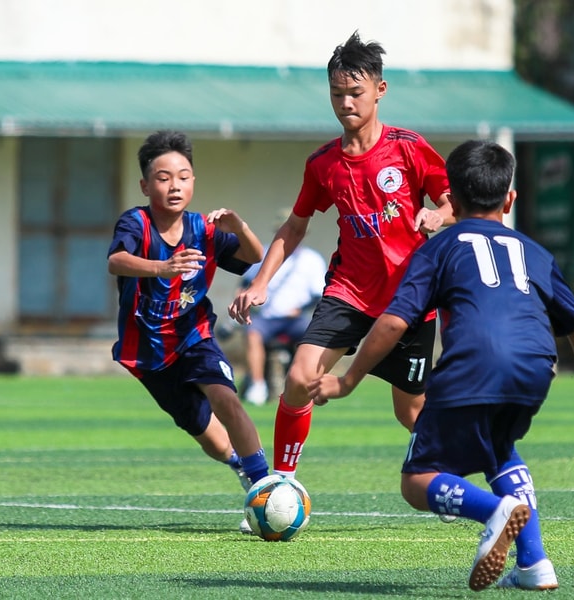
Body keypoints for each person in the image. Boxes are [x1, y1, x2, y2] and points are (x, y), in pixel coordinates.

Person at [307, 140, 574, 591]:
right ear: (510, 199)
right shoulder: (535, 252)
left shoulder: (438, 249)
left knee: (417, 481)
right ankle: (534, 563)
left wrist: (348, 380)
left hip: (473, 363)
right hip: (536, 367)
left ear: (449, 199)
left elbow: (393, 322)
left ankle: (495, 511)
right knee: (499, 449)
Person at [229, 31, 452, 478]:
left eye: (356, 92)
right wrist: (260, 283)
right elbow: (294, 227)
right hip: (348, 293)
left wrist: (437, 215)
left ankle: (450, 480)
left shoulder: (408, 148)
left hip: (409, 299)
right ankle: (282, 483)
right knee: (299, 379)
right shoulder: (323, 163)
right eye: (337, 94)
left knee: (410, 412)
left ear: (380, 90)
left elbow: (455, 203)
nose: (346, 103)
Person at [107, 129, 271, 533]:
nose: (174, 185)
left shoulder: (205, 229)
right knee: (212, 441)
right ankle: (240, 467)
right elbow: (116, 260)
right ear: (145, 185)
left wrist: (239, 227)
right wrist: (161, 267)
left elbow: (254, 255)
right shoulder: (136, 222)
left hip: (194, 335)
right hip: (148, 353)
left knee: (226, 398)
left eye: (182, 176)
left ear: (193, 181)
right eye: (163, 178)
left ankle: (265, 489)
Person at [240, 210, 327, 406]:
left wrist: (300, 309)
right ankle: (257, 385)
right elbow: (246, 283)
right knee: (252, 333)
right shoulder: (263, 254)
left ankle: (310, 385)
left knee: (313, 336)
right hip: (266, 318)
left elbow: (318, 295)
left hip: (296, 318)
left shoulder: (312, 259)